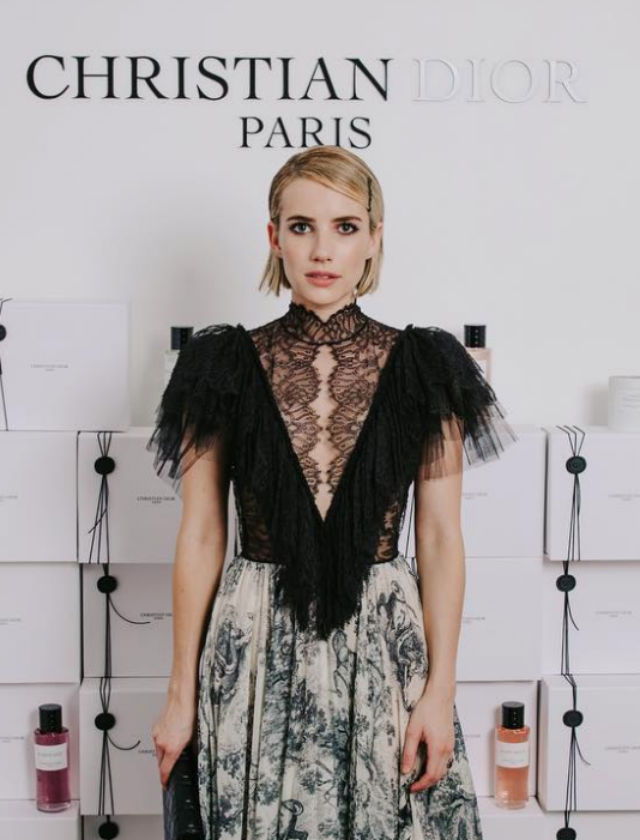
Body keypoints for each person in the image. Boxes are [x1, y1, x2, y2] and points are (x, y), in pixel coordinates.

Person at [148, 145, 517, 839]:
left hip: (384, 644)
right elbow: (201, 534)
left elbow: (441, 538)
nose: (323, 250)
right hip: (253, 645)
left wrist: (440, 691)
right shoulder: (217, 365)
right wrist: (179, 694)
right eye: (301, 226)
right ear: (274, 237)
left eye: (345, 227)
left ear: (374, 238)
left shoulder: (428, 365)